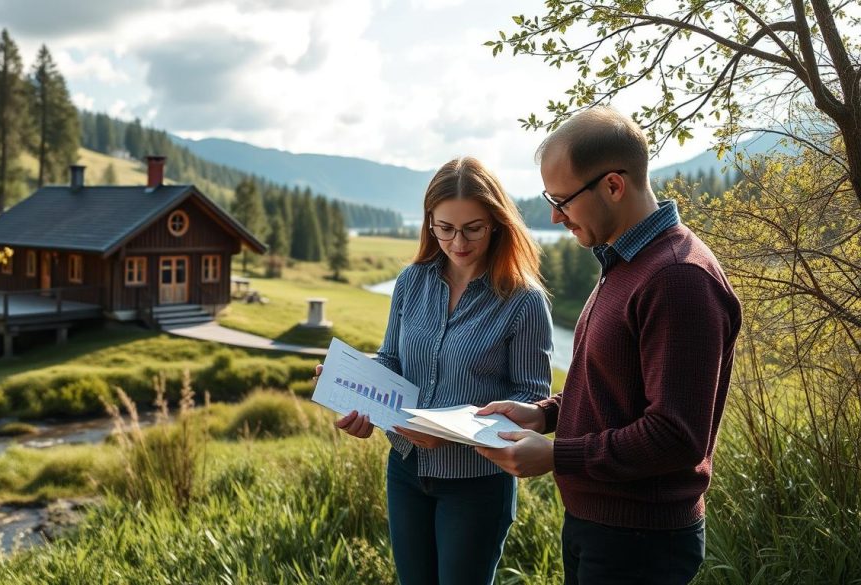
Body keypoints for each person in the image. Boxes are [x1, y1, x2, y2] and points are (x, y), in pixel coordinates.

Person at [476, 106, 742, 585]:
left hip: (640, 542)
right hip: (602, 526)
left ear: (613, 186)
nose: (555, 216)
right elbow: (613, 387)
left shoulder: (678, 278)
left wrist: (555, 455)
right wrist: (544, 414)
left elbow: (676, 436)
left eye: (563, 200)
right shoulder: (626, 260)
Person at [315, 157, 552, 584]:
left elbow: (532, 399)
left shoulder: (524, 301)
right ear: (429, 222)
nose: (457, 242)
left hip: (476, 484)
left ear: (497, 223)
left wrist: (446, 432)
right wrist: (353, 386)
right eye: (445, 228)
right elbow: (391, 360)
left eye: (472, 228)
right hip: (405, 470)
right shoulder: (411, 281)